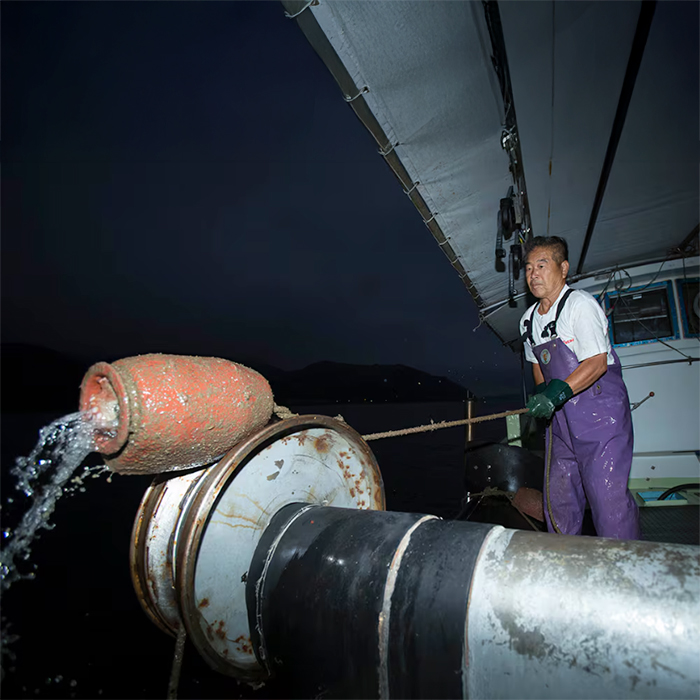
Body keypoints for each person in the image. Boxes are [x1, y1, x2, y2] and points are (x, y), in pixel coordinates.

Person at [519, 236, 640, 539]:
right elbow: (538, 364)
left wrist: (554, 395)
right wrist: (541, 397)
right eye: (529, 267)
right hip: (559, 421)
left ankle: (623, 568)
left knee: (607, 498)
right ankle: (565, 561)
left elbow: (597, 363)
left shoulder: (580, 305)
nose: (533, 274)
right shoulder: (528, 320)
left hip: (601, 417)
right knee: (558, 498)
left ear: (563, 268)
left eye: (542, 265)